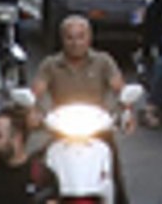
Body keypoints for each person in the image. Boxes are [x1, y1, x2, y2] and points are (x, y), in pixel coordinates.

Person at [28, 16, 132, 204]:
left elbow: (120, 88)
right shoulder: (50, 65)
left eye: (80, 37)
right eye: (70, 37)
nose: (75, 42)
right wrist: (32, 110)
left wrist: (127, 110)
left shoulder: (103, 61)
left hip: (98, 130)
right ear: (62, 39)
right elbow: (37, 91)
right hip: (61, 130)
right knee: (39, 171)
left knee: (113, 174)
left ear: (89, 38)